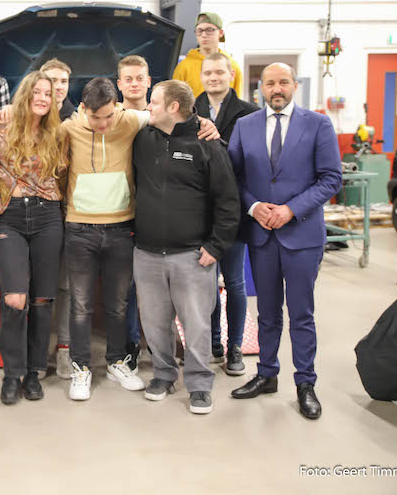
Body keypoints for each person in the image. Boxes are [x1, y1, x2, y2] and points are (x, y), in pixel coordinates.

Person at [59, 78, 220, 401]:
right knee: (81, 305)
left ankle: (118, 362)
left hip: (121, 228)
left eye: (109, 115)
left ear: (117, 107)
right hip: (80, 229)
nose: (104, 124)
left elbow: (177, 114)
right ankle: (81, 367)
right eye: (96, 117)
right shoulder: (68, 129)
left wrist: (205, 123)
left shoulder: (131, 120)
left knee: (119, 305)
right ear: (83, 109)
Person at [227, 63, 342, 420]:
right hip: (262, 235)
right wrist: (254, 206)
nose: (276, 89)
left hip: (302, 235)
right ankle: (266, 374)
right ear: (260, 88)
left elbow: (331, 179)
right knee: (267, 312)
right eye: (270, 83)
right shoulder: (245, 126)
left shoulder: (318, 124)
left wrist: (291, 209)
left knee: (301, 313)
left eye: (283, 82)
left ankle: (305, 383)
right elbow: (233, 177)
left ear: (294, 86)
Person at [132, 80, 240, 415]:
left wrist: (216, 246)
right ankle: (163, 375)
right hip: (147, 252)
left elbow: (228, 200)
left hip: (192, 255)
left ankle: (199, 384)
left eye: (153, 102)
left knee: (196, 325)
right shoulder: (142, 138)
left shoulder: (207, 144)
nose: (148, 107)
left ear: (173, 107)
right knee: (154, 323)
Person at [0, 71, 67, 405]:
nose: (42, 98)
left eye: (47, 94)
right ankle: (12, 373)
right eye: (36, 92)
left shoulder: (59, 133)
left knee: (41, 300)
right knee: (14, 298)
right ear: (25, 95)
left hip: (48, 216)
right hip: (10, 217)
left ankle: (34, 372)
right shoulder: (0, 126)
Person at [195, 52, 259, 375]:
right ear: (201, 76)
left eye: (219, 72)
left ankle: (234, 347)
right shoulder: (190, 109)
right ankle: (213, 343)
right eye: (208, 73)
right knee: (206, 283)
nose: (213, 77)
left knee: (233, 282)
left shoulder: (250, 113)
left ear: (231, 74)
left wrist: (219, 141)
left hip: (233, 212)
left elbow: (252, 162)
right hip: (199, 213)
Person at [38, 58, 75, 377]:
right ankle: (36, 351)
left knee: (66, 286)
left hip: (72, 212)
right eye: (52, 80)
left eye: (63, 80)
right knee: (38, 285)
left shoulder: (80, 118)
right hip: (38, 213)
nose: (58, 86)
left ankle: (64, 348)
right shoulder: (30, 118)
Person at [116, 55, 152, 368]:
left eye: (139, 77)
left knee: (155, 285)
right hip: (121, 212)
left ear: (149, 81)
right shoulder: (110, 117)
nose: (134, 83)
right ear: (119, 84)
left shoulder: (163, 115)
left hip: (156, 214)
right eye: (128, 78)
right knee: (126, 286)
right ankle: (130, 345)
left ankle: (158, 344)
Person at [173, 12, 243, 98]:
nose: (204, 35)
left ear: (221, 33)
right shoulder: (184, 67)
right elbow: (176, 100)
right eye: (199, 31)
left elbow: (238, 100)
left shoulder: (232, 66)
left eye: (209, 30)